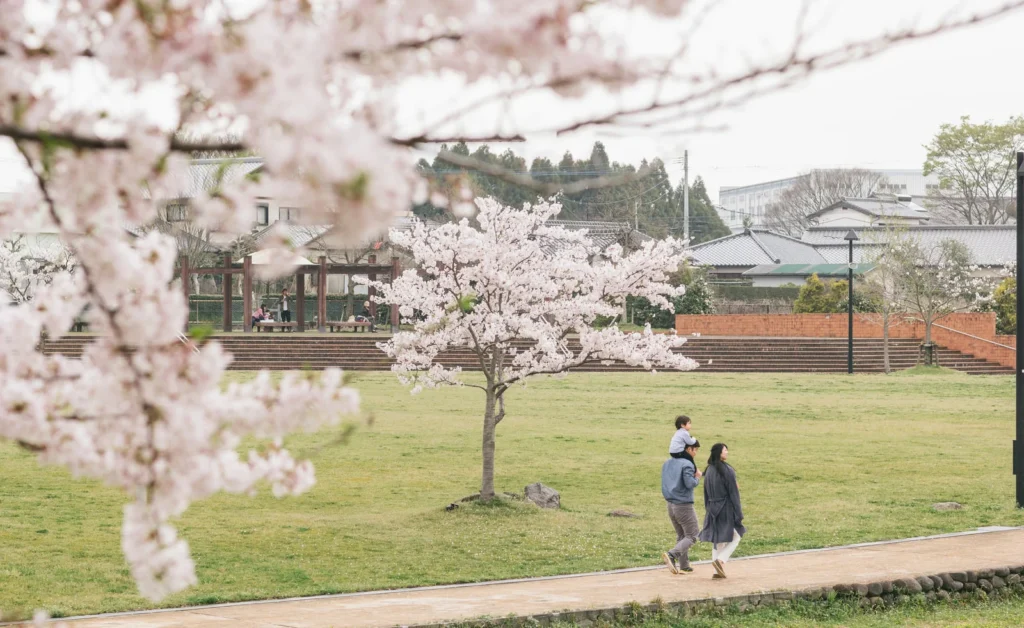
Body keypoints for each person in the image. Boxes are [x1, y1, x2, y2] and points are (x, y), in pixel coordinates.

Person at [698, 443, 745, 579]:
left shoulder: (709, 470)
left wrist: (708, 507)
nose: (727, 452)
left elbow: (705, 492)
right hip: (725, 507)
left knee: (718, 540)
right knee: (736, 536)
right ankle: (720, 560)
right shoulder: (727, 470)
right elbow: (733, 493)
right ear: (719, 452)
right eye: (725, 450)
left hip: (712, 507)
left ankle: (716, 571)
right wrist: (738, 512)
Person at [661, 440, 702, 574]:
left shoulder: (667, 463)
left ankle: (684, 565)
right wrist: (697, 477)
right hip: (683, 504)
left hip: (670, 504)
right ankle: (672, 555)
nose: (695, 453)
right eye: (695, 450)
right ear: (689, 449)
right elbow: (689, 483)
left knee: (682, 535)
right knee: (693, 535)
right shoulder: (687, 464)